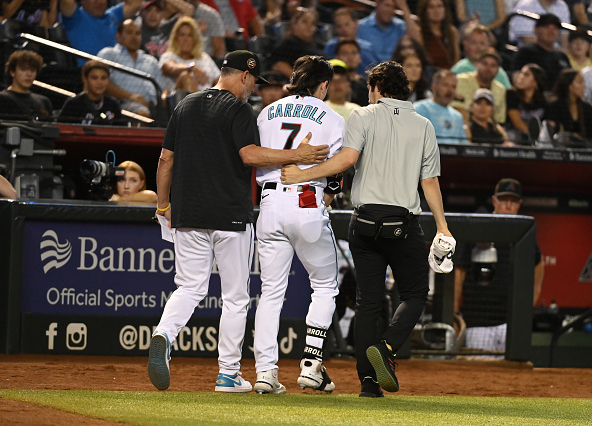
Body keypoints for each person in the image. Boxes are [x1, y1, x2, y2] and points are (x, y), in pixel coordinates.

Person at [147, 50, 330, 393]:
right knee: (235, 297)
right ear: (244, 76)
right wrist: (299, 155)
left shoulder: (185, 104)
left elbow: (165, 159)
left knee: (189, 287)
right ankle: (228, 374)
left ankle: (163, 334)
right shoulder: (238, 108)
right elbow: (249, 155)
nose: (253, 89)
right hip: (229, 214)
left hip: (186, 212)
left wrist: (162, 206)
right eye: (253, 82)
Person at [281, 60, 453, 397]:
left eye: (370, 89)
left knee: (368, 303)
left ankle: (368, 385)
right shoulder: (424, 125)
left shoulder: (360, 115)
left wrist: (302, 174)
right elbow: (429, 181)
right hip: (402, 223)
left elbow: (346, 160)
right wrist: (443, 227)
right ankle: (387, 349)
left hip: (364, 223)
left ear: (377, 88)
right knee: (416, 294)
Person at [253, 55, 345, 395]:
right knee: (324, 285)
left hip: (270, 201)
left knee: (271, 292)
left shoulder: (266, 112)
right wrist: (331, 193)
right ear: (323, 85)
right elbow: (338, 169)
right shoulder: (332, 117)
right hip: (307, 199)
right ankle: (311, 364)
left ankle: (265, 373)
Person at [454, 178, 544, 352]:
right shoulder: (479, 230)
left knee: (515, 377)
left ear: (519, 204)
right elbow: (458, 275)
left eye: (513, 201)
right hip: (478, 324)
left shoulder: (525, 237)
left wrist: (527, 308)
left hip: (510, 324)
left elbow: (538, 266)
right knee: (480, 376)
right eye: (504, 200)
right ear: (495, 201)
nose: (508, 206)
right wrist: (456, 315)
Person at [98, 19, 164, 117]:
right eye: (129, 32)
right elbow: (102, 83)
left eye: (137, 33)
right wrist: (131, 96)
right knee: (142, 113)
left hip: (154, 107)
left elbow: (162, 88)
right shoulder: (108, 54)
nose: (134, 37)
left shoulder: (151, 61)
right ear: (118, 36)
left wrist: (164, 97)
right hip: (120, 105)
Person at [59, 0, 142, 62]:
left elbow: (135, 3)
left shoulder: (114, 14)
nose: (98, 1)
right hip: (92, 75)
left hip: (119, 72)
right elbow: (67, 2)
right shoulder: (76, 17)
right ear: (82, 1)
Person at [158, 16, 220, 94]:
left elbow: (219, 83)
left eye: (190, 35)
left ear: (195, 39)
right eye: (182, 35)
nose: (186, 39)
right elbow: (168, 68)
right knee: (185, 76)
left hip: (209, 99)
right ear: (176, 38)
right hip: (180, 102)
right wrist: (191, 67)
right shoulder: (169, 56)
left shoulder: (205, 58)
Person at [512, 13, 570, 91]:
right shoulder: (526, 52)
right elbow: (518, 79)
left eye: (555, 28)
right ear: (536, 30)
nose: (551, 31)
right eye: (546, 27)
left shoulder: (562, 56)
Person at [58, 60, 123, 125]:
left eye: (103, 78)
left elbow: (122, 131)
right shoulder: (73, 104)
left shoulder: (113, 105)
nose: (99, 82)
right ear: (85, 79)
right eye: (94, 78)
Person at [451, 49, 507, 124]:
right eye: (484, 64)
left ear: (498, 70)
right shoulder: (460, 80)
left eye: (493, 66)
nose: (488, 69)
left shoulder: (500, 89)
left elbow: (499, 119)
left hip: (487, 130)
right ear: (476, 64)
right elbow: (455, 109)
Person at [451, 22, 512, 89]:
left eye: (482, 43)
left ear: (488, 46)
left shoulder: (498, 72)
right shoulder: (458, 70)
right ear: (465, 45)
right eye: (473, 43)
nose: (478, 48)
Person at [414, 69, 468, 143]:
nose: (450, 90)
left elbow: (464, 147)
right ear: (434, 87)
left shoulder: (457, 116)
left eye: (453, 87)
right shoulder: (420, 108)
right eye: (445, 85)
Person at [268, 7, 324, 79]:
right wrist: (300, 82)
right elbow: (278, 65)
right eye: (305, 21)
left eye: (312, 23)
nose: (309, 26)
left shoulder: (317, 45)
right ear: (294, 24)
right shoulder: (288, 43)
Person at [323, 7, 381, 74]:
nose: (344, 29)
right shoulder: (330, 46)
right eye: (339, 26)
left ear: (356, 23)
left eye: (347, 24)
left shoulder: (367, 48)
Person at [0, 50, 52, 120]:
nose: (29, 74)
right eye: (23, 69)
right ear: (12, 72)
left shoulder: (44, 101)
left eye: (33, 70)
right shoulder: (2, 99)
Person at [544, 68, 592, 143]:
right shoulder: (554, 107)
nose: (584, 86)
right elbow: (549, 135)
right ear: (570, 86)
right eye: (580, 82)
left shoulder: (586, 108)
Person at [505, 63, 547, 143]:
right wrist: (534, 139)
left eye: (526, 74)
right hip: (513, 137)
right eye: (521, 73)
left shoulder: (543, 103)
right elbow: (517, 123)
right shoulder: (511, 94)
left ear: (536, 83)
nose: (520, 77)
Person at [413, 0, 460, 70]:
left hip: (451, 75)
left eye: (439, 6)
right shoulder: (420, 33)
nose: (436, 11)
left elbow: (456, 60)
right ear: (425, 11)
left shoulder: (452, 31)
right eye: (431, 7)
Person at [334, 38, 369, 107]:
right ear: (337, 58)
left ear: (360, 58)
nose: (350, 57)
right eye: (345, 53)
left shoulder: (367, 86)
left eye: (354, 53)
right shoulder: (330, 84)